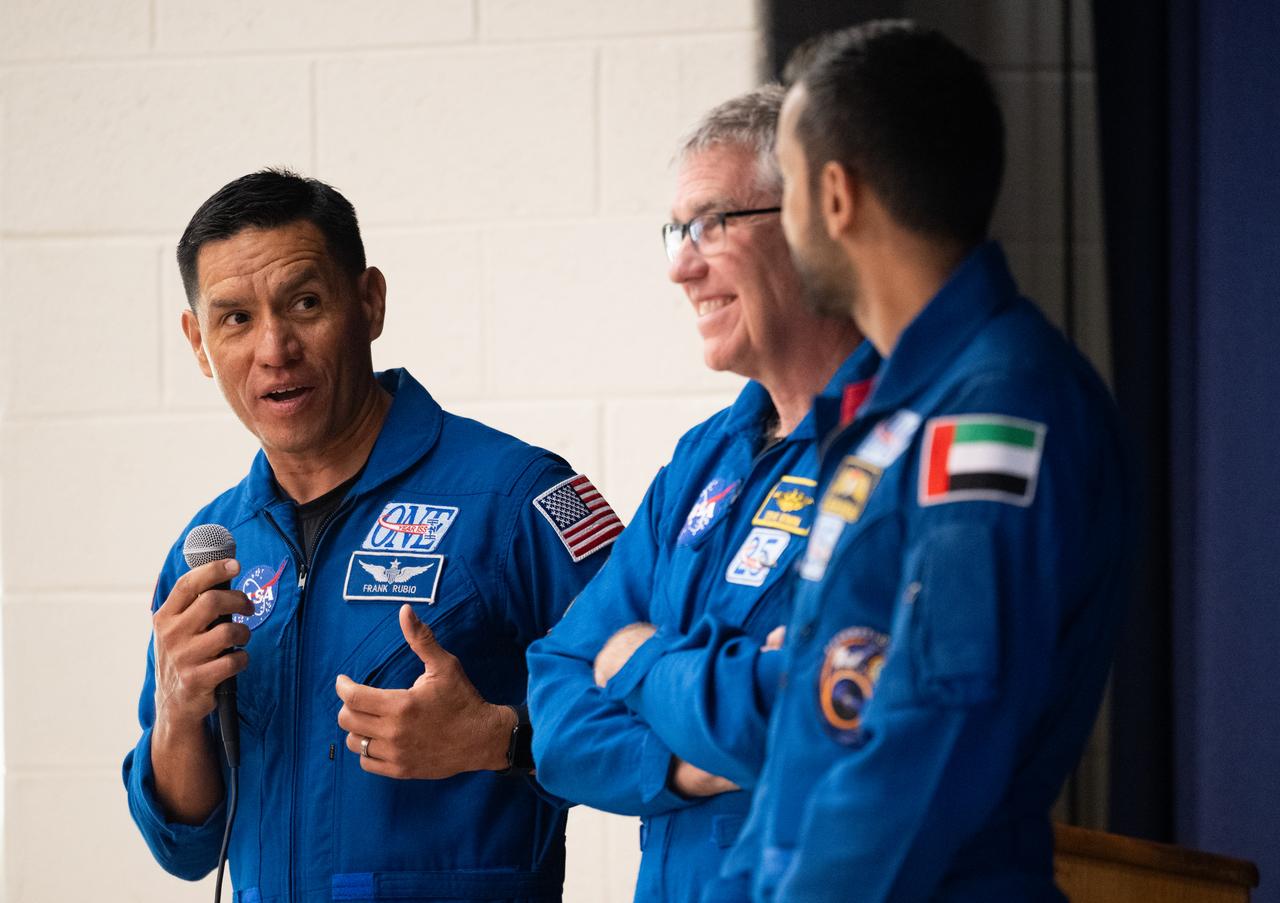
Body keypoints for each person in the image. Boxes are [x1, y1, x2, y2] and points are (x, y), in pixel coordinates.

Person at [597, 21, 1134, 902]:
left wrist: (651, 667)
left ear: (834, 197)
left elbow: (926, 746)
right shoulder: (894, 412)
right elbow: (817, 720)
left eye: (789, 188)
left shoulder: (998, 407)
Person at [122, 170, 619, 902]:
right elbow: (185, 845)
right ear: (199, 343)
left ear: (370, 301)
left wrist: (501, 737)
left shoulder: (515, 497)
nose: (274, 348)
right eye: (236, 319)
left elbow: (656, 712)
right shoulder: (213, 550)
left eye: (305, 303)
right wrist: (175, 711)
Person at [526, 85, 867, 901]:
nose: (681, 266)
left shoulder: (892, 441)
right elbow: (557, 700)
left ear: (811, 224)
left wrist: (639, 658)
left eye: (713, 224)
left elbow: (808, 713)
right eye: (677, 232)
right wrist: (678, 762)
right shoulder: (703, 458)